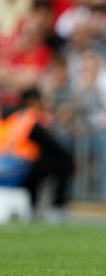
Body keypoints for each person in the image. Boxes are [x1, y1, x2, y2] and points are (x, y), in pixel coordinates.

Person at [0, 87, 74, 221]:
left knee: (44, 166)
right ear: (33, 101)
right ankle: (56, 207)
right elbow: (50, 144)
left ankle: (33, 205)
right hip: (16, 165)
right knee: (63, 162)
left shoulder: (15, 117)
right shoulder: (30, 117)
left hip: (6, 162)